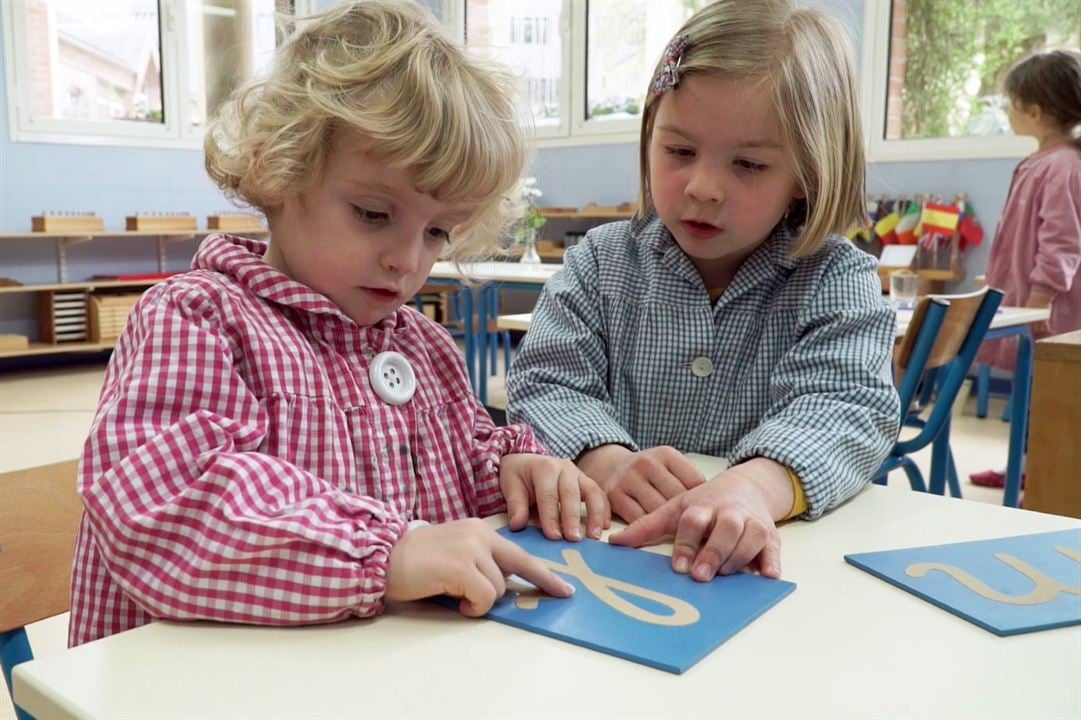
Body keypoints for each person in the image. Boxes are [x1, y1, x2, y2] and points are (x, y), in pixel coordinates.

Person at [68, 0, 610, 648]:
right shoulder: (197, 320)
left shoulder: (425, 347)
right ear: (277, 170)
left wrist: (515, 470)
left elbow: (463, 464)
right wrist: (387, 553)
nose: (406, 260)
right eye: (372, 213)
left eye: (436, 231)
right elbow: (162, 507)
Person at [506, 0, 899, 582]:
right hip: (609, 557)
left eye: (747, 164)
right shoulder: (600, 262)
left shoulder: (836, 278)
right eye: (679, 151)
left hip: (760, 571)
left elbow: (846, 408)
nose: (703, 187)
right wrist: (604, 458)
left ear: (807, 175)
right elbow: (544, 383)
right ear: (649, 138)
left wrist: (757, 487)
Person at [969, 49, 1081, 489]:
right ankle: (1021, 466)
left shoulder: (1062, 167)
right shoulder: (1043, 162)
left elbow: (1062, 241)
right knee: (1031, 388)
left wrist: (1040, 299)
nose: (1009, 111)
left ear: (1034, 111)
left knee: (1050, 393)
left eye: (1012, 103)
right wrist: (999, 280)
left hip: (1050, 307)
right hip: (1026, 300)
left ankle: (1041, 474)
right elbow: (1023, 238)